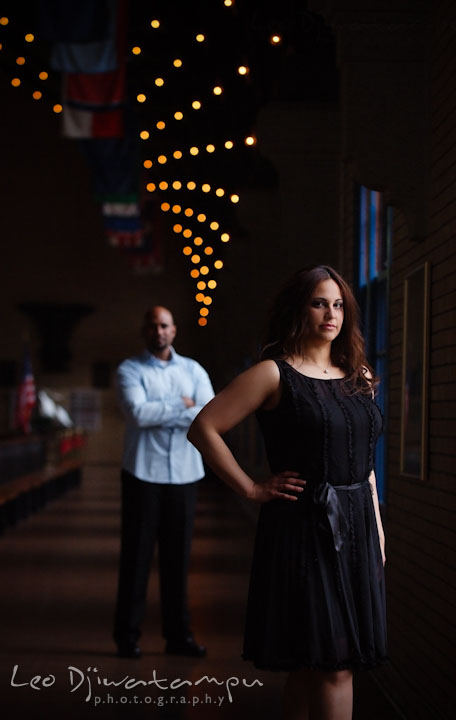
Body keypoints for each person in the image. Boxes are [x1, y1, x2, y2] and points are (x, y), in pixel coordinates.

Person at [188, 265, 387, 720]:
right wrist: (251, 488)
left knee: (309, 663)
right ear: (299, 308)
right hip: (303, 528)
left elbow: (365, 462)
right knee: (334, 665)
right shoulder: (273, 374)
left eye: (338, 304)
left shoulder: (360, 374)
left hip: (358, 528)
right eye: (319, 302)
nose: (330, 313)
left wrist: (376, 530)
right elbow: (204, 428)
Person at [113, 305, 214, 659]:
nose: (159, 331)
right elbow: (138, 414)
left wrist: (169, 409)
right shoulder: (129, 370)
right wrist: (183, 405)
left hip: (185, 475)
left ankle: (178, 636)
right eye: (153, 325)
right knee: (136, 558)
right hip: (142, 474)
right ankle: (127, 636)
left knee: (178, 559)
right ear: (145, 330)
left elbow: (208, 414)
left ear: (174, 330)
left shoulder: (194, 370)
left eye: (165, 325)